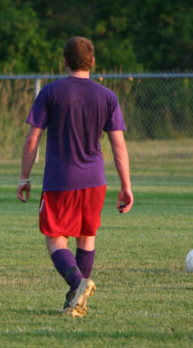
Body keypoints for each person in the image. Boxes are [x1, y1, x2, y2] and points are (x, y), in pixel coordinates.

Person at [16, 36, 133, 317]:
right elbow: (119, 146)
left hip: (60, 180)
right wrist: (126, 185)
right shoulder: (107, 96)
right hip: (95, 180)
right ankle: (75, 300)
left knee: (56, 238)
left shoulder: (51, 92)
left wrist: (24, 177)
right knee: (86, 235)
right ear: (92, 62)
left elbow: (32, 140)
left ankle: (77, 282)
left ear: (65, 62)